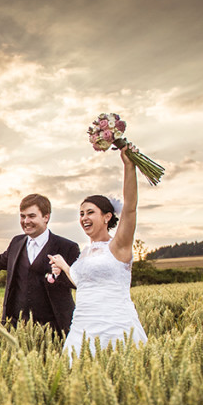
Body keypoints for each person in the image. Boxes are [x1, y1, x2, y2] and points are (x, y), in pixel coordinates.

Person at [49, 152, 148, 359]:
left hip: (115, 326)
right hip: (81, 328)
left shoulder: (118, 246)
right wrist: (65, 266)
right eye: (81, 213)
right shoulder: (85, 252)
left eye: (90, 212)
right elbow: (82, 281)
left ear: (107, 217)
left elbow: (130, 209)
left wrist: (129, 166)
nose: (84, 217)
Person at [0, 194, 80, 336]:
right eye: (22, 216)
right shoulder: (16, 242)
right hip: (17, 326)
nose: (26, 221)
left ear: (46, 217)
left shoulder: (67, 247)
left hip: (55, 328)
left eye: (31, 216)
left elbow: (78, 282)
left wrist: (60, 273)